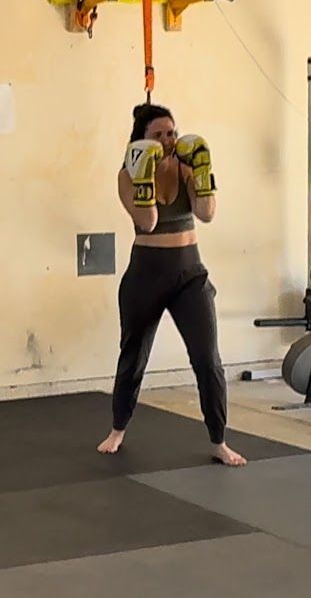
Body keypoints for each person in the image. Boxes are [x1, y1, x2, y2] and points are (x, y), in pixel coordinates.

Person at [100, 103, 243, 466]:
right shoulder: (126, 175)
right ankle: (118, 428)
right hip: (145, 273)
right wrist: (146, 174)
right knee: (134, 355)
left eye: (171, 133)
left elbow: (207, 215)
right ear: (142, 140)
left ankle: (218, 440)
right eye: (158, 135)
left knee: (207, 358)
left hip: (189, 274)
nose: (167, 141)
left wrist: (200, 173)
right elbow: (146, 222)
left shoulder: (188, 165)